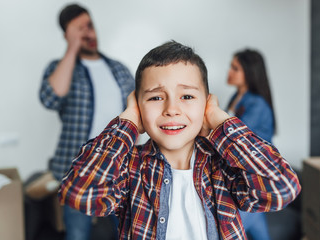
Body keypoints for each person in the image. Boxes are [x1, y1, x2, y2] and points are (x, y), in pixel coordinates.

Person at [59, 41, 301, 239]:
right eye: (155, 98)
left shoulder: (223, 167)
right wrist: (128, 122)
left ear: (206, 104)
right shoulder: (130, 167)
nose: (171, 109)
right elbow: (80, 193)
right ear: (138, 106)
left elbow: (283, 187)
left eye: (186, 96)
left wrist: (219, 120)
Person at [39, 3, 134, 240]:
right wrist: (72, 48)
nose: (88, 33)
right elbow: (51, 98)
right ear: (67, 35)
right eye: (79, 29)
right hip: (77, 173)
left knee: (128, 232)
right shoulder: (60, 69)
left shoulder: (119, 69)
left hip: (118, 170)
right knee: (78, 235)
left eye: (89, 25)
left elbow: (138, 112)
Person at [226, 49, 276, 240]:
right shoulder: (236, 97)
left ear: (249, 72)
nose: (229, 72)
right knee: (257, 228)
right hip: (244, 178)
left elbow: (233, 136)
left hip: (255, 178)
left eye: (235, 68)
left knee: (232, 231)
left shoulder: (257, 105)